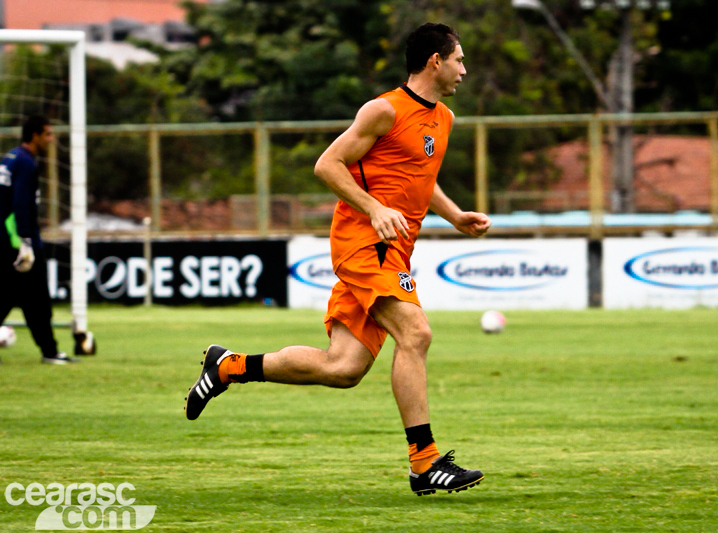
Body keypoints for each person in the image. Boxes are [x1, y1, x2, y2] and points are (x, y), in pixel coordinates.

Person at [185, 23, 491, 496]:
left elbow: (418, 176)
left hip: (394, 251)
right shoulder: (384, 109)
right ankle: (425, 463)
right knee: (417, 332)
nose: (464, 70)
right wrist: (373, 207)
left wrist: (453, 216)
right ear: (435, 60)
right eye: (459, 60)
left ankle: (228, 366)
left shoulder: (444, 119)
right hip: (363, 244)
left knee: (343, 368)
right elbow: (327, 164)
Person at [0, 115, 78, 364]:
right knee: (34, 299)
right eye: (48, 134)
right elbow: (20, 205)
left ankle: (50, 351)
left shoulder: (11, 158)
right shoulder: (26, 163)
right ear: (34, 136)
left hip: (6, 238)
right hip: (17, 241)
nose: (52, 139)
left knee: (19, 296)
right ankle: (50, 352)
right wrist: (25, 242)